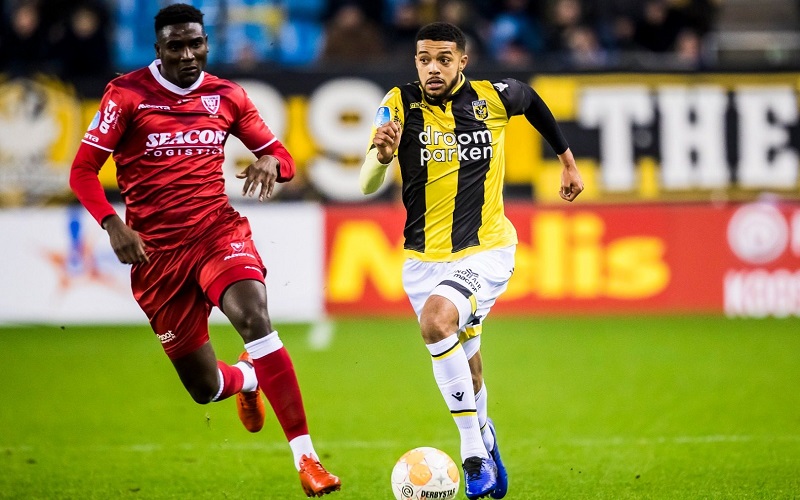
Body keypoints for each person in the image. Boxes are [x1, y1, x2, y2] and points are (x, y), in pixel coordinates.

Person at [68, 4, 340, 497]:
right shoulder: (126, 95)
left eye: (196, 44)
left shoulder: (226, 95)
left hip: (217, 233)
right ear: (158, 49)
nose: (188, 55)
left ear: (207, 43)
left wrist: (271, 165)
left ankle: (308, 459)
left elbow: (282, 156)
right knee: (205, 388)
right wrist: (112, 224)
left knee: (254, 317)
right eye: (176, 46)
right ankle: (248, 380)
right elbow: (83, 170)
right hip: (156, 257)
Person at [360, 22, 583, 500]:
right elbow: (365, 184)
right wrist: (381, 156)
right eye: (424, 59)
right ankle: (486, 434)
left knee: (436, 322)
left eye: (444, 59)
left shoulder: (494, 98)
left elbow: (532, 101)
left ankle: (472, 454)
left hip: (487, 249)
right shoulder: (397, 103)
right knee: (468, 363)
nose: (432, 68)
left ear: (463, 61)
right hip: (423, 261)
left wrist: (566, 160)